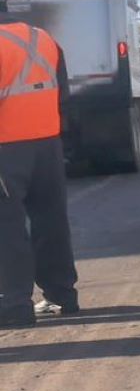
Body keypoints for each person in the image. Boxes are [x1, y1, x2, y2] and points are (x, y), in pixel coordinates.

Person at [0, 19, 78, 328]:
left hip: (6, 147)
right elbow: (64, 93)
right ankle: (63, 295)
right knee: (51, 218)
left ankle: (15, 303)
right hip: (47, 143)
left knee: (6, 227)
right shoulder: (43, 37)